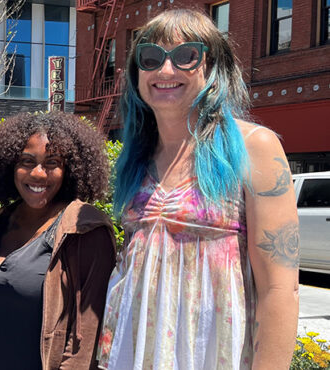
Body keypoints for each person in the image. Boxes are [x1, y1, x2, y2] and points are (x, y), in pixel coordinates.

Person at [96, 9, 299, 370]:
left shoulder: (255, 146)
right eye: (151, 58)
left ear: (213, 67)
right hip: (133, 353)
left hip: (211, 353)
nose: (165, 70)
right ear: (137, 73)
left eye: (186, 55)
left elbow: (279, 290)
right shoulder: (136, 156)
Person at [0, 111, 116, 370]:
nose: (38, 174)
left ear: (70, 169)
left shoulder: (85, 231)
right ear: (9, 165)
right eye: (27, 161)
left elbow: (86, 343)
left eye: (52, 162)